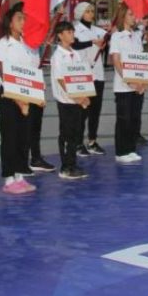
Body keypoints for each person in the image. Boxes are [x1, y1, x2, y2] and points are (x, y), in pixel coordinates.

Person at [0, 3, 38, 194]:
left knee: (23, 136)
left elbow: (34, 69)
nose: (23, 22)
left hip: (27, 94)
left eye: (24, 18)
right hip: (10, 95)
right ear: (10, 22)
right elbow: (4, 71)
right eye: (19, 18)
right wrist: (17, 98)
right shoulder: (4, 43)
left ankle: (20, 173)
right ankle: (9, 177)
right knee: (10, 136)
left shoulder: (29, 43)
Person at [50, 21, 92, 179]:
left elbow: (82, 76)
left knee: (76, 133)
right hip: (67, 101)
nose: (72, 35)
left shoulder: (76, 53)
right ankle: (65, 167)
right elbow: (61, 80)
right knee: (67, 134)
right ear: (60, 36)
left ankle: (72, 162)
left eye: (72, 32)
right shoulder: (58, 56)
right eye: (68, 32)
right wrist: (77, 97)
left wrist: (85, 95)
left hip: (78, 101)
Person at [110, 3, 148, 163]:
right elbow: (116, 61)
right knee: (124, 119)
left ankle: (131, 148)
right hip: (123, 85)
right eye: (131, 14)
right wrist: (130, 81)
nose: (134, 18)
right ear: (123, 16)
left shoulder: (137, 36)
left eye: (134, 15)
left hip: (138, 85)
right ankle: (121, 152)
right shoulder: (117, 36)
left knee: (134, 118)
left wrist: (143, 82)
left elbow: (142, 61)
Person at [72, 1, 107, 155]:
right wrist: (91, 42)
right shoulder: (75, 29)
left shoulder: (98, 30)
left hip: (98, 74)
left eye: (92, 11)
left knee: (95, 110)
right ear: (80, 13)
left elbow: (108, 40)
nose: (91, 13)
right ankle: (78, 143)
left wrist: (107, 40)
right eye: (87, 11)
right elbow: (75, 44)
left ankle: (92, 140)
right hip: (83, 75)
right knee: (82, 111)